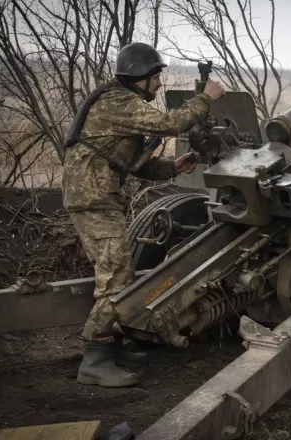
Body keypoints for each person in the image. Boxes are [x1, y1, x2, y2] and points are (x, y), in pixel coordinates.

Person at [61, 42, 225, 388]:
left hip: (98, 196)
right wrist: (205, 97)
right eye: (156, 78)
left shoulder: (120, 104)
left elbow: (133, 164)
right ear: (140, 77)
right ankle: (95, 358)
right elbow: (170, 123)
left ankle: (113, 346)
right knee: (116, 278)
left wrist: (172, 166)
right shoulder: (119, 102)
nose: (159, 85)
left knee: (119, 273)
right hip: (93, 200)